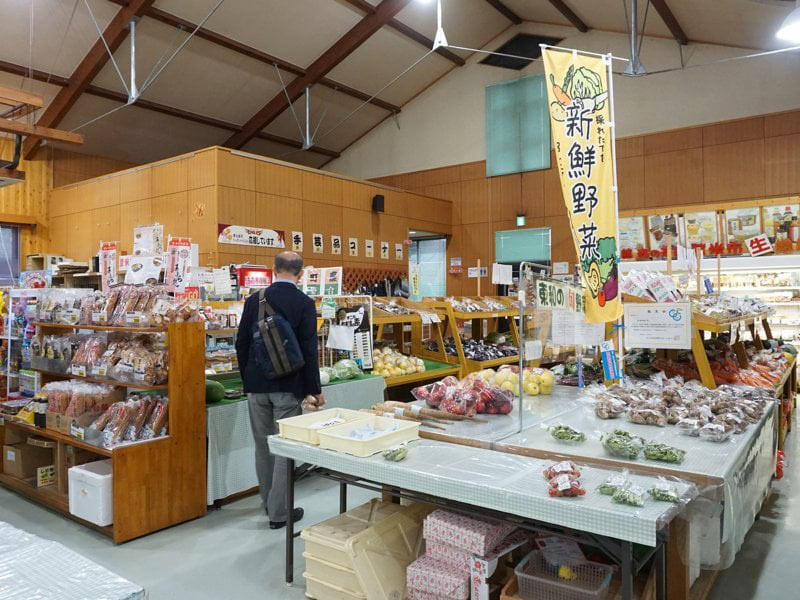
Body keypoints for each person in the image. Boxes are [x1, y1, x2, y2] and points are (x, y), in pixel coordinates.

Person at [236, 251, 325, 529]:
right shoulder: (305, 303)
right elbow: (310, 350)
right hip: (288, 385)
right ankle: (279, 512)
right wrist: (314, 389)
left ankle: (268, 503)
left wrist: (247, 379)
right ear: (301, 274)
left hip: (256, 384)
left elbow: (241, 343)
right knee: (283, 446)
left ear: (274, 270)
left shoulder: (255, 300)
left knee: (263, 446)